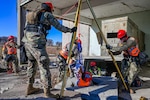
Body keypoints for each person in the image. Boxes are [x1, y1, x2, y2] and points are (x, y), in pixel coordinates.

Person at [22, 2, 77, 98]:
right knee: (44, 66)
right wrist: (70, 30)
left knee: (31, 65)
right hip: (37, 45)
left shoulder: (32, 16)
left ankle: (29, 88)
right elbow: (58, 26)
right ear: (49, 9)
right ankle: (47, 93)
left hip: (27, 44)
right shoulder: (47, 15)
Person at [106, 29, 141, 94]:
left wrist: (111, 47)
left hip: (134, 59)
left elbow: (124, 47)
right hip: (126, 59)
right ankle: (121, 87)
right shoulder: (120, 42)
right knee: (122, 74)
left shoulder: (131, 40)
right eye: (120, 38)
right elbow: (119, 51)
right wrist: (112, 53)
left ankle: (128, 87)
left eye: (122, 38)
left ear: (125, 36)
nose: (121, 40)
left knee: (132, 74)